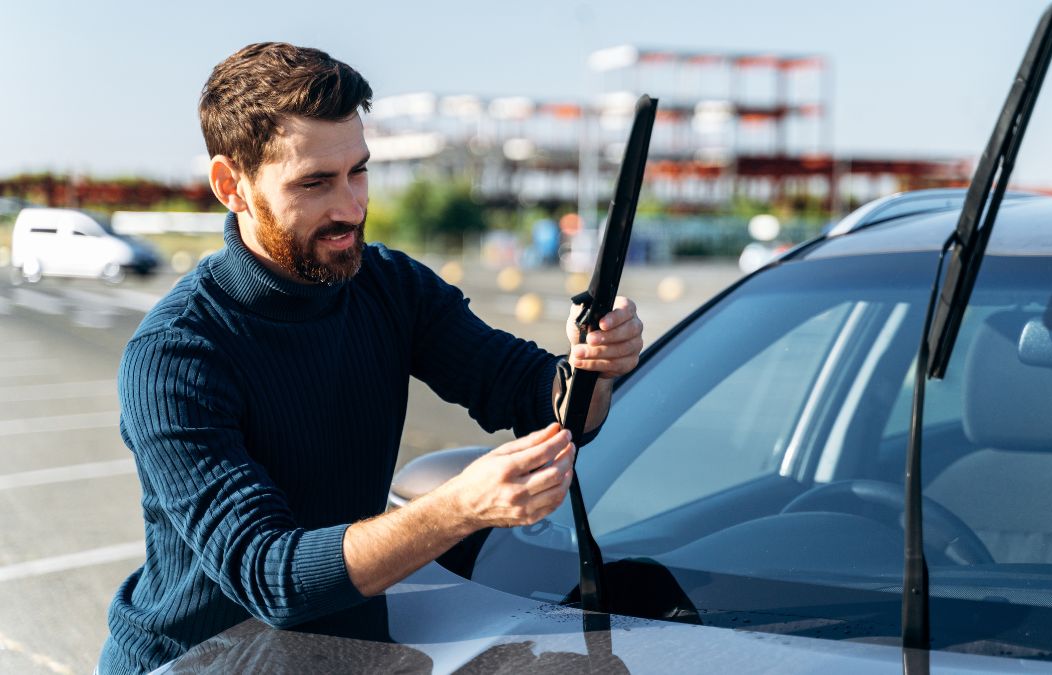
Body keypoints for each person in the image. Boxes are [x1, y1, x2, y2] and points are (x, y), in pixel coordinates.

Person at [98, 42, 643, 674]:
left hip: (340, 657)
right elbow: (270, 577)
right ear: (231, 186)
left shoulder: (390, 287)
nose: (351, 208)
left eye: (358, 171)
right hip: (193, 662)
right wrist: (459, 507)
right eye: (315, 183)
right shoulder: (175, 358)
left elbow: (537, 398)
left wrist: (594, 364)